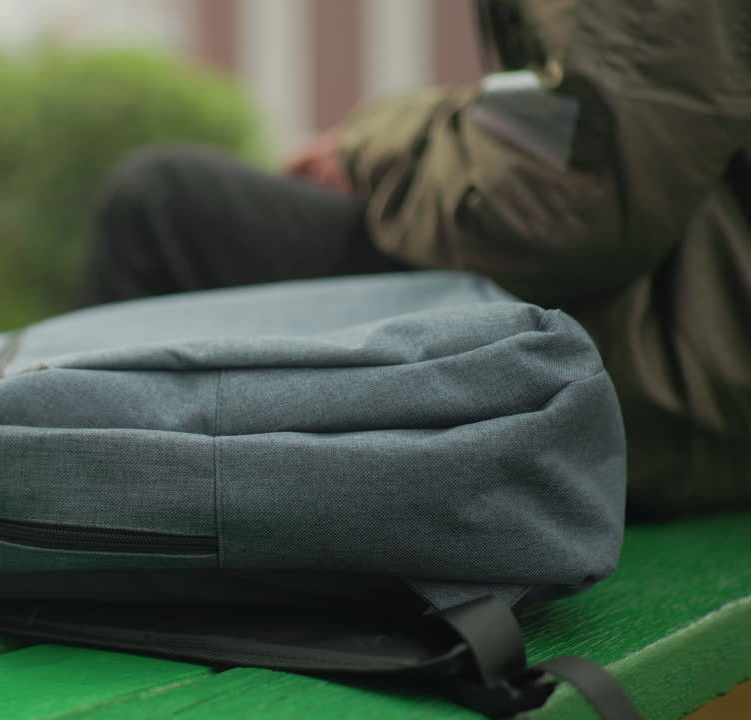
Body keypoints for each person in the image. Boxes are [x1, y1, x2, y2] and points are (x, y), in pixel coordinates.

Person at [80, 0, 750, 518]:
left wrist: (372, 141)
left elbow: (563, 197)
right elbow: (573, 113)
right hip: (682, 345)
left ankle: (83, 536)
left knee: (161, 210)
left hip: (681, 380)